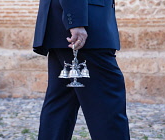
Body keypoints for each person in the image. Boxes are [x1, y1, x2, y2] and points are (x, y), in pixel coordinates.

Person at [32, 0, 130, 139]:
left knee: (60, 108)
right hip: (84, 31)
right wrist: (75, 22)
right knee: (107, 106)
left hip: (68, 27)